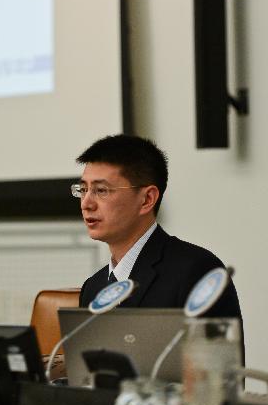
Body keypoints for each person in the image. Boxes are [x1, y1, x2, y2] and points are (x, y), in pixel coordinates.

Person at [76, 134, 242, 320]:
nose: (86, 203)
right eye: (83, 190)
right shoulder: (93, 289)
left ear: (147, 199)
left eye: (101, 190)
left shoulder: (196, 272)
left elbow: (216, 349)